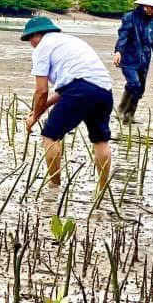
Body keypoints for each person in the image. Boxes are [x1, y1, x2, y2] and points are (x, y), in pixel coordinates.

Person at [20, 16, 113, 191]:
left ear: (37, 35)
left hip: (80, 89)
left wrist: (35, 115)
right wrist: (40, 110)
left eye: (30, 38)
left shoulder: (42, 48)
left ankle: (54, 186)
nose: (31, 43)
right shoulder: (71, 42)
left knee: (50, 136)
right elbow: (67, 89)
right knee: (101, 140)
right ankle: (102, 190)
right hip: (104, 90)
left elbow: (41, 91)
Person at [113, 0, 153, 124]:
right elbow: (124, 35)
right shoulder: (130, 17)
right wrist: (118, 51)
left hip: (144, 60)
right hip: (128, 58)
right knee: (134, 84)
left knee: (140, 89)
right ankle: (121, 110)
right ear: (147, 6)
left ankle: (129, 115)